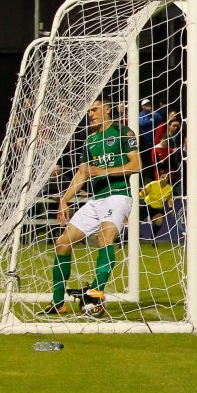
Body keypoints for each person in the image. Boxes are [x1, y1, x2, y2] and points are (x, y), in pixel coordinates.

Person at [40, 99, 139, 317]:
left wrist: (103, 172)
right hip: (96, 199)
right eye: (88, 111)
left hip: (118, 196)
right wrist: (64, 200)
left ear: (107, 109)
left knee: (105, 240)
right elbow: (83, 173)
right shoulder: (90, 139)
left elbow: (136, 165)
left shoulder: (123, 132)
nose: (91, 114)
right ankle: (59, 303)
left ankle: (95, 295)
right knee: (62, 244)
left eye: (94, 109)